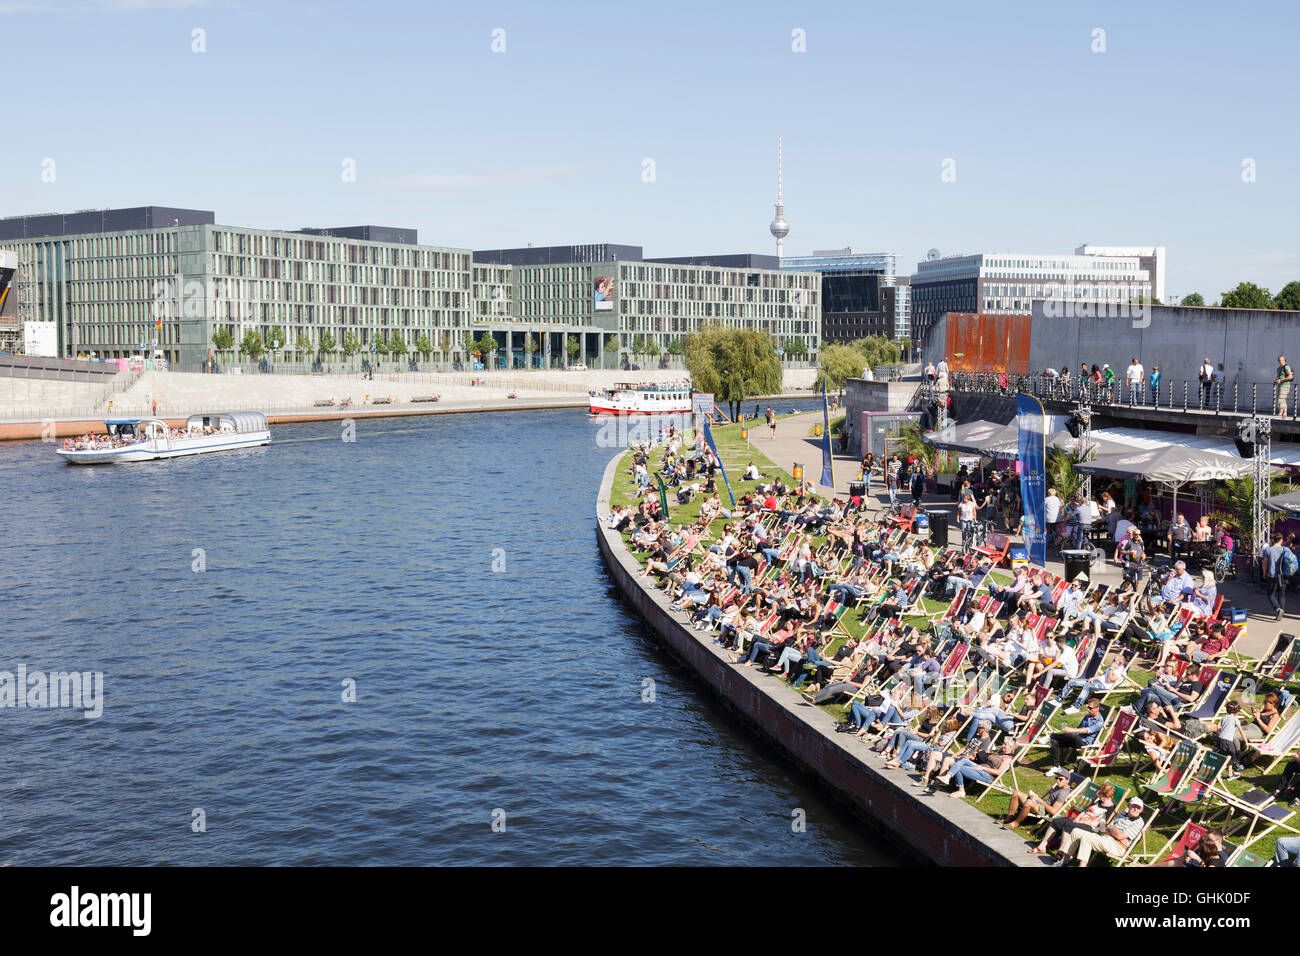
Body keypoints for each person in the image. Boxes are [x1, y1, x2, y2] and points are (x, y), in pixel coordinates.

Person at [1055, 797, 1147, 866]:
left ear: (1141, 810)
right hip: (1106, 838)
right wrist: (1112, 830)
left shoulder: (1139, 822)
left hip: (1118, 846)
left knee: (1087, 838)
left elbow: (1119, 836)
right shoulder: (1122, 814)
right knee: (1076, 831)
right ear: (1128, 805)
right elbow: (1105, 829)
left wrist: (1112, 829)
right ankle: (1064, 862)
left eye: (1138, 808)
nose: (1135, 809)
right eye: (1134, 806)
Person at [1047, 697, 1106, 771]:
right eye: (1088, 707)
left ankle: (1051, 736)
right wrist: (1067, 737)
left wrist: (1071, 730)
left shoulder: (1099, 722)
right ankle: (1056, 767)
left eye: (1090, 708)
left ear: (1097, 708)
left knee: (1072, 735)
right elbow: (1079, 728)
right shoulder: (1087, 716)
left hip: (1084, 744)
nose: (1088, 710)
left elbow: (1086, 730)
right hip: (1075, 739)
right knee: (1054, 742)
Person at [1004, 770, 1073, 831]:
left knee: (1029, 802)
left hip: (1044, 811)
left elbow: (1053, 811)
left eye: (1060, 779)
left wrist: (1039, 800)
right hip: (1040, 804)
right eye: (1056, 778)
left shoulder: (1063, 793)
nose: (1057, 781)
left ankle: (1015, 824)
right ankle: (1009, 818)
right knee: (1016, 793)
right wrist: (1036, 799)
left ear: (1067, 780)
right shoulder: (1059, 786)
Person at [1260, 531, 1290, 621]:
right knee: (1282, 595)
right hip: (1283, 575)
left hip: (1272, 575)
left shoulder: (1268, 550)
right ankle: (1281, 612)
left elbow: (1264, 564)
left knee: (1271, 594)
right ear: (1281, 540)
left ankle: (1278, 609)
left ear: (1273, 540)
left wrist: (1264, 573)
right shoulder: (1285, 549)